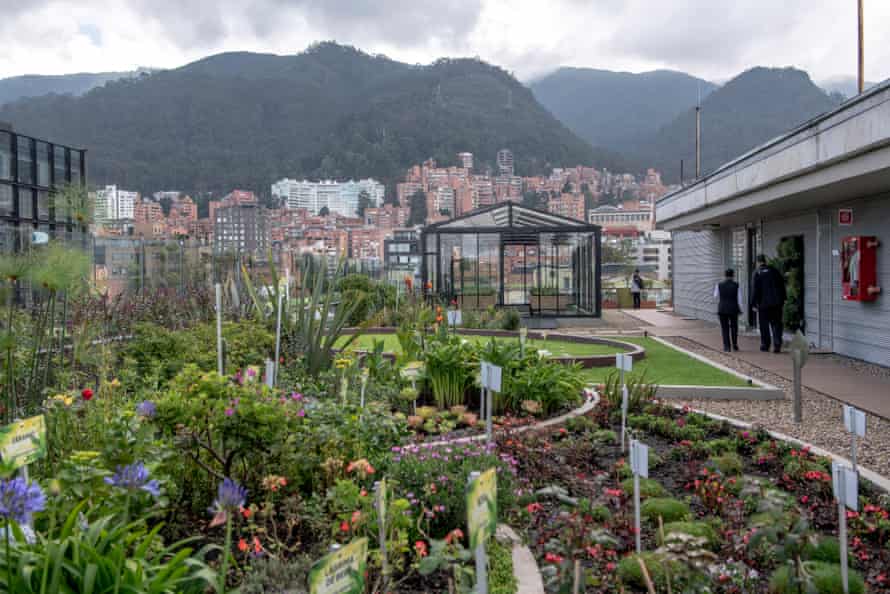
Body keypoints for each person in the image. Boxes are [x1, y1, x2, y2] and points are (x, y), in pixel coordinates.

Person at [751, 254, 787, 353]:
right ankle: (777, 344)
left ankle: (765, 345)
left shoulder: (757, 273)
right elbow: (781, 285)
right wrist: (784, 299)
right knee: (776, 324)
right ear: (765, 261)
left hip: (763, 304)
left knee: (764, 325)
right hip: (777, 303)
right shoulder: (775, 271)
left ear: (758, 262)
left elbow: (755, 289)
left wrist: (753, 303)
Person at [714, 268, 742, 352]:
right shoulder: (736, 285)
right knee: (734, 327)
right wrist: (740, 308)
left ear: (724, 275)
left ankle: (727, 346)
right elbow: (739, 298)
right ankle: (735, 344)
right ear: (733, 275)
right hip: (733, 308)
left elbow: (715, 296)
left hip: (722, 308)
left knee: (724, 328)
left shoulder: (719, 284)